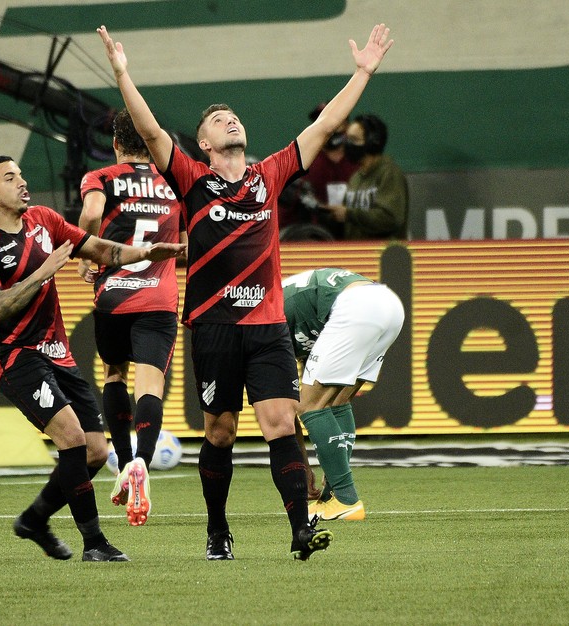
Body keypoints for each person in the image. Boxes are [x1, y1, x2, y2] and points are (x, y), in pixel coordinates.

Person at [97, 21, 394, 560]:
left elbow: (327, 124)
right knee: (221, 433)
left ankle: (300, 529)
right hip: (213, 328)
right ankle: (217, 531)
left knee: (281, 422)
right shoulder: (190, 177)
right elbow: (152, 129)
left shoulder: (270, 174)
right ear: (206, 143)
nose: (230, 119)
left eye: (233, 116)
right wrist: (122, 74)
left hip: (267, 326)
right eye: (217, 120)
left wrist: (362, 73)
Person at [0, 155, 185, 562]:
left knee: (96, 452)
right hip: (17, 358)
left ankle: (33, 519)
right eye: (11, 178)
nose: (23, 182)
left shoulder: (44, 219)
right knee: (72, 439)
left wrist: (148, 252)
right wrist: (44, 270)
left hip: (57, 355)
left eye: (22, 173)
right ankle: (94, 543)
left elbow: (99, 248)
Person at [77, 108, 187, 527]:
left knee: (114, 374)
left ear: (116, 144)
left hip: (112, 296)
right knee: (150, 385)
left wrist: (86, 256)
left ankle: (123, 462)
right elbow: (188, 244)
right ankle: (142, 460)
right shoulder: (176, 180)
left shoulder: (102, 177)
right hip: (157, 297)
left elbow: (89, 218)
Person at [283, 268, 404, 521]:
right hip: (388, 305)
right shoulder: (279, 310)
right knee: (336, 401)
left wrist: (302, 470)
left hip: (355, 307)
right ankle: (331, 497)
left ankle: (346, 497)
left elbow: (282, 408)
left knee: (309, 406)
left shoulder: (259, 329)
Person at [278, 102, 359, 239]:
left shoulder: (358, 160)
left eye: (335, 121)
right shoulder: (306, 160)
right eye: (320, 120)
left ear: (347, 125)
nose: (328, 126)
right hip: (316, 237)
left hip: (355, 234)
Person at [322, 113, 408, 240]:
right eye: (347, 138)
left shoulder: (389, 173)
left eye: (354, 139)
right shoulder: (356, 177)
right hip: (357, 256)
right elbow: (347, 216)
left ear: (372, 142)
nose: (347, 144)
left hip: (383, 256)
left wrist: (348, 214)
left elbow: (391, 218)